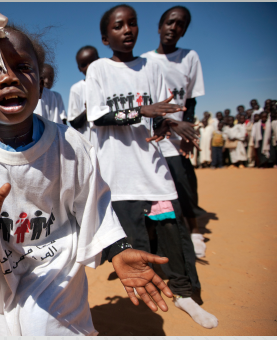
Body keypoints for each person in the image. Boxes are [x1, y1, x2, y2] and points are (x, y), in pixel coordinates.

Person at [0, 8, 175, 336]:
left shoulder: (69, 144)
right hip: (10, 272)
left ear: (41, 81)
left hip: (61, 271)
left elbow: (94, 201)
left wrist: (117, 248)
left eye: (22, 68)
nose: (9, 78)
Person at [86, 4, 217, 328]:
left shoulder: (151, 66)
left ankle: (184, 293)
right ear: (106, 37)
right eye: (119, 26)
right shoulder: (99, 70)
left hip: (154, 173)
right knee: (134, 249)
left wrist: (169, 126)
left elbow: (161, 112)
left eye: (132, 23)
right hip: (119, 177)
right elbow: (97, 116)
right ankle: (142, 314)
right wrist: (141, 112)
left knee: (170, 233)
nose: (127, 30)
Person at [142, 5, 208, 254]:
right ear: (160, 27)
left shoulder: (189, 57)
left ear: (184, 30)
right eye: (170, 22)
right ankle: (154, 237)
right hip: (154, 135)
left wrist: (187, 132)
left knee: (184, 184)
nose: (173, 27)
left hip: (178, 137)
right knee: (154, 189)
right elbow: (147, 105)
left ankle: (194, 231)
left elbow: (190, 101)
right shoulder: (146, 61)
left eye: (180, 24)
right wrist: (170, 123)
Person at [67, 45, 99, 142]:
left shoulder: (109, 84)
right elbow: (74, 122)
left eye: (92, 62)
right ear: (79, 68)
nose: (89, 67)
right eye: (84, 64)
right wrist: (88, 110)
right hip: (89, 143)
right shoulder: (76, 89)